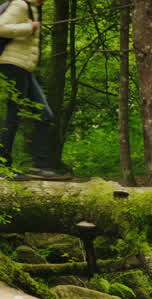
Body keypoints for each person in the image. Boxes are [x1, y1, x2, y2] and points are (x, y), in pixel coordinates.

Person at [0, 0, 67, 180]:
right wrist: (29, 28)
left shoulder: (33, 8)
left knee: (44, 115)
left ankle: (39, 167)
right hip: (11, 66)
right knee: (12, 118)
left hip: (24, 70)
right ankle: (3, 168)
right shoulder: (20, 4)